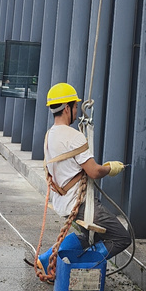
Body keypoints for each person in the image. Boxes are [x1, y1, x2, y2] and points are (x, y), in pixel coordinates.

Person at [43, 83, 131, 262]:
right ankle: (81, 269)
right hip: (80, 204)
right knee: (122, 238)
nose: (77, 110)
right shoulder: (73, 136)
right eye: (76, 107)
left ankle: (47, 260)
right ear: (67, 108)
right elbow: (94, 172)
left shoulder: (49, 135)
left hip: (63, 202)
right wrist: (110, 168)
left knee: (92, 237)